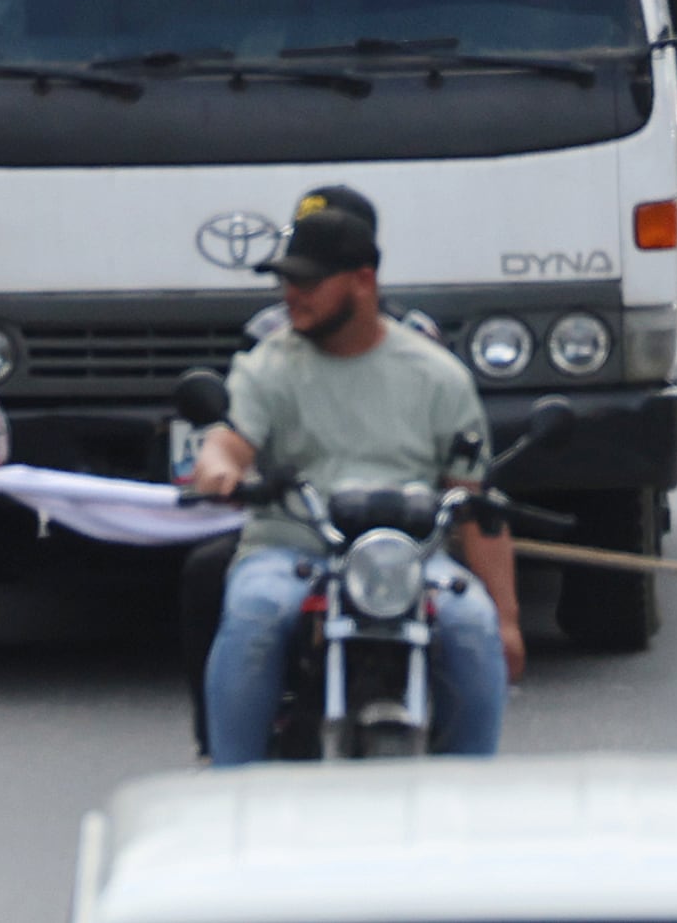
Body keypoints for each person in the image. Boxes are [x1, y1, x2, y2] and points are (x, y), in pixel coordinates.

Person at [184, 184, 521, 764]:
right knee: (255, 614)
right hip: (291, 549)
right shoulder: (267, 366)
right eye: (286, 281)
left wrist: (508, 620)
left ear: (363, 280)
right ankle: (230, 782)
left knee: (472, 627)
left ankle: (473, 792)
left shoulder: (438, 375)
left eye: (308, 281)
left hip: (408, 560)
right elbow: (229, 442)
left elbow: (474, 502)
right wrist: (218, 472)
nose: (292, 295)